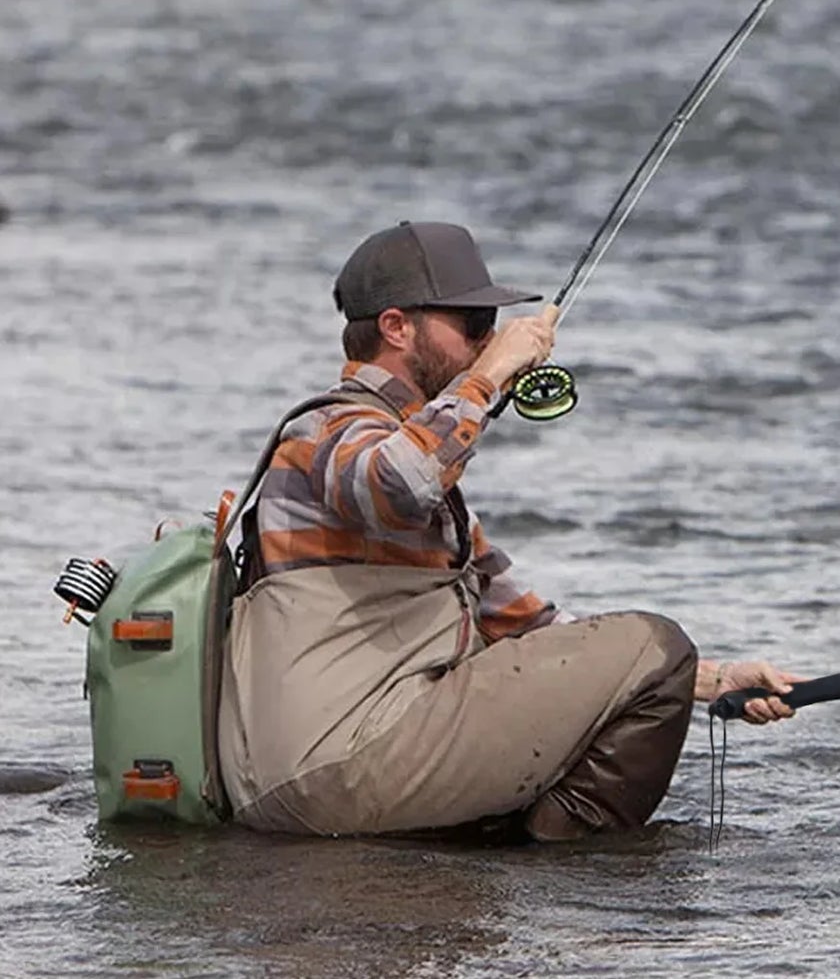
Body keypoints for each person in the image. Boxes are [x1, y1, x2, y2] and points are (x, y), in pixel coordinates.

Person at [218, 220, 797, 841]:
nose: (487, 339)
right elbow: (393, 486)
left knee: (663, 664)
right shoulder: (328, 430)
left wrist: (707, 681)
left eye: (490, 330)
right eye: (472, 326)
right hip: (332, 769)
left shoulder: (428, 472)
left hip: (320, 769)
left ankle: (499, 843)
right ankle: (558, 863)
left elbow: (528, 628)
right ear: (395, 327)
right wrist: (488, 376)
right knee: (659, 644)